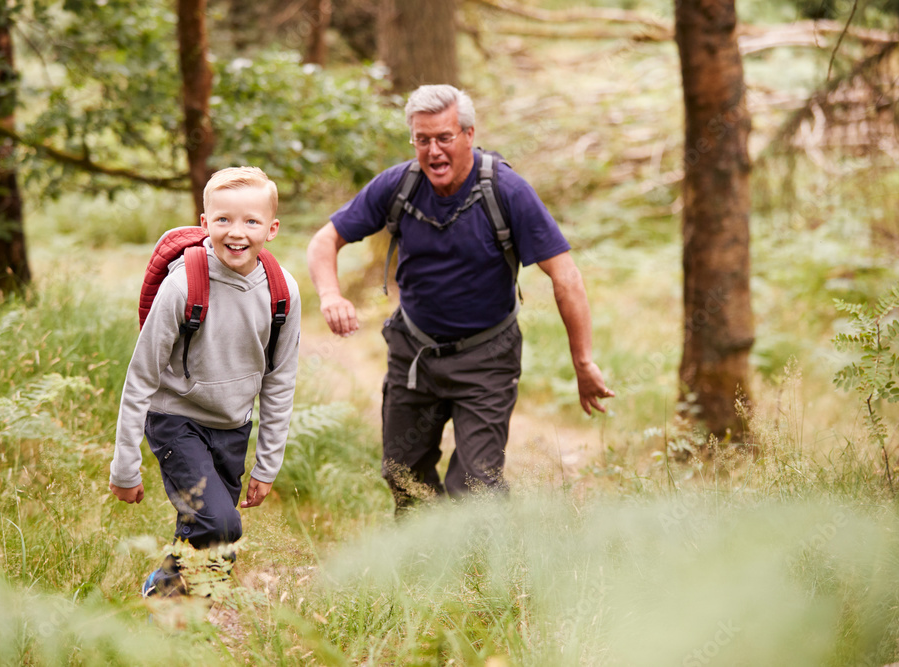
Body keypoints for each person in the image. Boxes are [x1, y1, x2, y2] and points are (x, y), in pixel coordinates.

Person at [306, 84, 613, 513]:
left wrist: (582, 362)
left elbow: (566, 277)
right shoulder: (399, 186)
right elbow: (326, 239)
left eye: (444, 137)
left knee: (476, 486)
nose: (433, 151)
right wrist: (330, 295)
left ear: (468, 135)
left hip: (487, 357)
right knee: (404, 476)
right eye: (422, 139)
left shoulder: (507, 192)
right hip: (414, 352)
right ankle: (423, 571)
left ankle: (478, 574)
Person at [109, 166, 300, 596]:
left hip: (233, 426)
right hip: (176, 419)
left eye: (251, 221)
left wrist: (268, 464)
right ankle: (166, 593)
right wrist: (125, 466)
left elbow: (280, 380)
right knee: (221, 524)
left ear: (271, 229)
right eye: (223, 220)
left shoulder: (282, 290)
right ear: (204, 223)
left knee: (204, 532)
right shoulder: (182, 286)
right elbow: (140, 377)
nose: (237, 232)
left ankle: (181, 615)